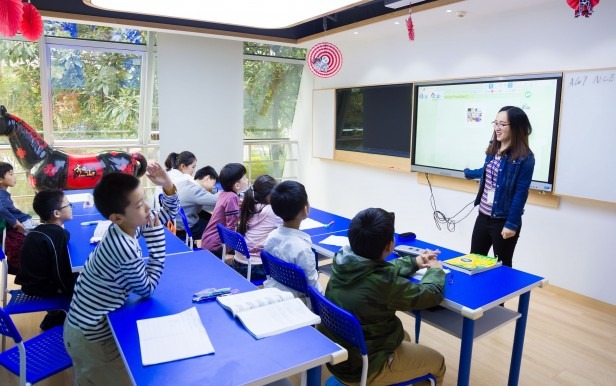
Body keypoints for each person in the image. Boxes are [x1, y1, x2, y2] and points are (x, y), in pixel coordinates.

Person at [63, 163, 178, 385]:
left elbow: (167, 214)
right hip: (91, 337)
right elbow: (147, 288)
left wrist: (168, 186)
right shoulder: (122, 246)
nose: (147, 208)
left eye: (144, 199)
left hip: (85, 327)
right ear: (117, 217)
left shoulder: (125, 225)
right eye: (139, 205)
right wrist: (156, 243)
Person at [319, 208, 446, 385]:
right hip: (364, 368)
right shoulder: (384, 284)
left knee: (405, 337)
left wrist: (414, 262)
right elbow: (431, 295)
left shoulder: (343, 262)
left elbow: (377, 269)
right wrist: (436, 271)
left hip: (340, 357)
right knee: (438, 362)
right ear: (390, 245)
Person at [464, 106, 535, 268]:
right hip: (483, 216)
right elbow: (488, 170)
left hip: (503, 220)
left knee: (502, 266)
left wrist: (511, 224)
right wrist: (471, 173)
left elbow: (521, 193)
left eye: (503, 124)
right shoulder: (493, 148)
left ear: (516, 127)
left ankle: (501, 294)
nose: (497, 127)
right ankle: (479, 294)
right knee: (474, 261)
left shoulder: (525, 158)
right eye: (496, 123)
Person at [15, 189, 78, 330]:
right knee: (84, 282)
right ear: (57, 213)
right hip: (40, 288)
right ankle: (62, 317)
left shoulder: (39, 230)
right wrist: (72, 289)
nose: (71, 207)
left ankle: (55, 314)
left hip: (29, 284)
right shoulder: (59, 235)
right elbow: (60, 272)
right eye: (68, 205)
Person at [263, 180, 322, 298]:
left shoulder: (271, 237)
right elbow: (312, 288)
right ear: (305, 210)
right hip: (299, 304)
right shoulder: (303, 250)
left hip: (276, 293)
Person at [233, 175, 282, 281]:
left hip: (238, 262)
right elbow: (291, 221)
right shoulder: (271, 211)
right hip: (255, 266)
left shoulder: (250, 205)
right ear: (268, 196)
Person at [200, 163, 248, 257]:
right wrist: (230, 250)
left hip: (207, 241)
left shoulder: (224, 193)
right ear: (237, 185)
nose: (247, 180)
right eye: (245, 178)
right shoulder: (232, 197)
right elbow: (231, 227)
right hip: (216, 246)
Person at [0, 162, 39, 274]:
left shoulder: (3, 193)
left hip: (25, 221)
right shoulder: (1, 194)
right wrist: (15, 222)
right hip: (23, 223)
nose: (15, 176)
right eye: (11, 174)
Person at [178, 165, 219, 241]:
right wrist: (226, 192)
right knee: (217, 228)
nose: (213, 187)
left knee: (207, 216)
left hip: (177, 223)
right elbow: (217, 200)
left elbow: (207, 191)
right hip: (185, 229)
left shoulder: (186, 183)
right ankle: (215, 251)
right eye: (213, 184)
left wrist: (215, 191)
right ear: (207, 178)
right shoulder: (196, 190)